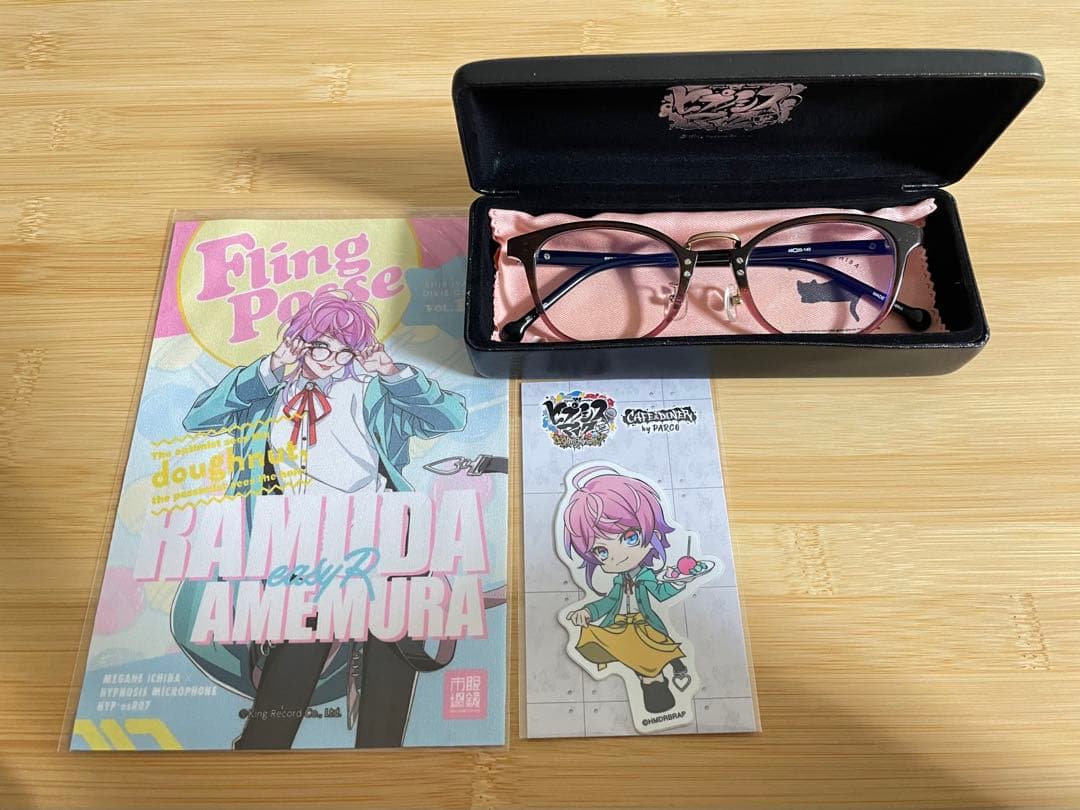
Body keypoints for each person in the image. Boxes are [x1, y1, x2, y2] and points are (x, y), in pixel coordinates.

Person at [171, 290, 467, 748]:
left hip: (379, 537)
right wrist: (270, 369)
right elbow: (199, 418)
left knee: (390, 642)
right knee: (298, 648)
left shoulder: (371, 392)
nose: (330, 361)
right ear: (298, 340)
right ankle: (260, 751)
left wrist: (393, 373)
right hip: (300, 546)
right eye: (320, 347)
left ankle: (384, 757)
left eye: (344, 352)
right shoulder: (267, 392)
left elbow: (450, 418)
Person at [562, 466, 694, 713]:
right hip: (620, 628)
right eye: (601, 551)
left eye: (631, 537)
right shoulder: (617, 582)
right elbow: (607, 603)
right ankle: (656, 682)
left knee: (657, 651)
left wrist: (680, 580)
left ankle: (666, 676)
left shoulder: (646, 575)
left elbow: (661, 593)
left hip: (645, 626)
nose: (617, 555)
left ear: (650, 533)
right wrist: (588, 612)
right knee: (637, 658)